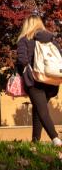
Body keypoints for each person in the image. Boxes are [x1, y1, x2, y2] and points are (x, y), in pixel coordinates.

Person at [16, 15, 62, 146]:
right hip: (51, 80)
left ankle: (55, 139)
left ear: (27, 25)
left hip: (34, 80)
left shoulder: (24, 40)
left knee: (42, 110)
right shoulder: (51, 39)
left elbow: (22, 60)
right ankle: (35, 141)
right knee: (38, 109)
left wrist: (22, 72)